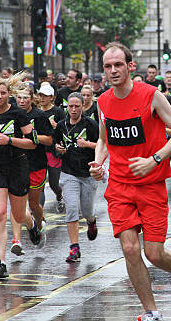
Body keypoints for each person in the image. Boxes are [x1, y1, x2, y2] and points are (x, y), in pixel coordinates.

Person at [89, 42, 171, 321]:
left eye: (118, 65)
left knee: (153, 253)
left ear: (130, 66)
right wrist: (98, 162)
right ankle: (151, 312)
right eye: (107, 66)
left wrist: (155, 159)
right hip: (119, 186)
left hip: (151, 185)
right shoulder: (103, 102)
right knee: (129, 248)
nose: (113, 70)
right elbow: (104, 139)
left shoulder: (151, 95)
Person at [0, 78, 38, 279]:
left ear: (8, 94)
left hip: (17, 166)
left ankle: (31, 224)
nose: (0, 96)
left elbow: (33, 143)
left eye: (3, 93)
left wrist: (10, 140)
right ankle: (0, 262)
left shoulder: (18, 114)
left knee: (19, 215)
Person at [54, 92, 100, 262]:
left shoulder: (91, 124)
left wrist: (87, 144)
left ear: (82, 106)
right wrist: (58, 149)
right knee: (72, 208)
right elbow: (56, 143)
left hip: (88, 173)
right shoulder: (61, 125)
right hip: (68, 172)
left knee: (87, 210)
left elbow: (103, 146)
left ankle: (91, 221)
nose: (73, 110)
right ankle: (74, 248)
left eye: (76, 106)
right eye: (70, 106)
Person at [9, 84, 53, 256]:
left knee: (33, 205)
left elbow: (49, 140)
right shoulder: (11, 114)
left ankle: (38, 228)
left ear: (32, 99)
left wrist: (31, 137)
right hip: (16, 163)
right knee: (16, 203)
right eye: (19, 97)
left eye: (25, 97)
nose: (22, 101)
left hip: (36, 163)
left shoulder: (39, 116)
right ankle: (17, 240)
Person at [37, 83, 66, 212]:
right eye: (40, 95)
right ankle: (38, 213)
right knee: (40, 185)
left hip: (53, 152)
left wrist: (56, 126)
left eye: (45, 96)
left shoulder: (58, 112)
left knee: (54, 183)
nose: (42, 98)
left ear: (52, 97)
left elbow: (65, 130)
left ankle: (59, 196)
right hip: (38, 151)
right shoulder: (35, 111)